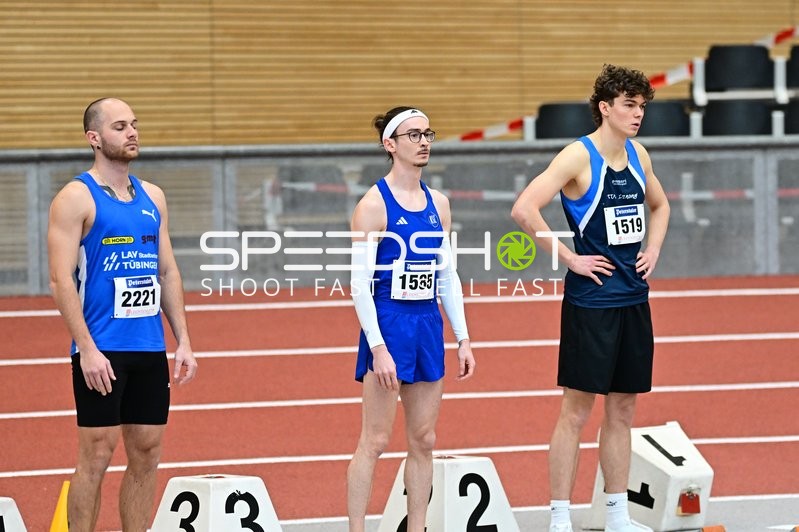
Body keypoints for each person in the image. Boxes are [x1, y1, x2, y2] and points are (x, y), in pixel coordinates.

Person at [511, 65, 670, 532]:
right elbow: (524, 208)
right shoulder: (577, 157)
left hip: (633, 300)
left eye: (642, 106)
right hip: (592, 304)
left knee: (623, 410)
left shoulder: (639, 155)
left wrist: (654, 247)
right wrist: (569, 258)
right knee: (577, 411)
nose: (638, 114)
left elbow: (660, 206)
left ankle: (617, 515)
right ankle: (560, 517)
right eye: (629, 105)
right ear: (605, 107)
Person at [47, 97, 197, 531]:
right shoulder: (75, 198)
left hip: (148, 346)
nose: (131, 132)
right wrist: (87, 350)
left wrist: (183, 339)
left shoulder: (153, 197)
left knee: (147, 452)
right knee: (95, 454)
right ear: (94, 138)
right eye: (119, 126)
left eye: (134, 124)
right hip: (102, 348)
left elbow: (167, 270)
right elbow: (60, 281)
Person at [346, 106, 476, 532]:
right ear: (390, 145)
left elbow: (447, 274)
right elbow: (360, 285)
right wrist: (379, 348)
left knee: (424, 440)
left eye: (428, 134)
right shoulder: (372, 207)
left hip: (426, 325)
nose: (424, 142)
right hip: (389, 323)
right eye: (414, 135)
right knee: (376, 441)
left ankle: (417, 527)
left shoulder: (439, 203)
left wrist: (463, 337)